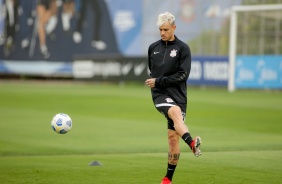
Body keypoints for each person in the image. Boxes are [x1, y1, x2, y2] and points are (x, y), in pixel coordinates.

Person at [145, 12, 202, 184]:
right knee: (174, 111)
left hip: (179, 95)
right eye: (160, 29)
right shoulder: (153, 48)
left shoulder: (183, 49)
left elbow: (182, 75)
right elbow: (153, 70)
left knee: (172, 139)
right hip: (160, 94)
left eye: (166, 29)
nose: (162, 32)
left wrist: (159, 81)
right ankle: (192, 143)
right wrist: (158, 84)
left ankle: (167, 179)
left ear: (174, 28)